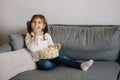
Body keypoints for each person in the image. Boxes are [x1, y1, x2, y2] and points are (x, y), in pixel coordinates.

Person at [25, 14, 94, 71]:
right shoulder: (29, 35)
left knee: (62, 58)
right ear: (31, 24)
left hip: (50, 56)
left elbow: (50, 45)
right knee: (46, 65)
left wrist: (55, 45)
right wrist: (36, 35)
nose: (36, 24)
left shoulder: (46, 35)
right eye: (34, 22)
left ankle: (81, 65)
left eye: (39, 22)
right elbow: (33, 48)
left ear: (43, 26)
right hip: (40, 59)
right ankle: (60, 62)